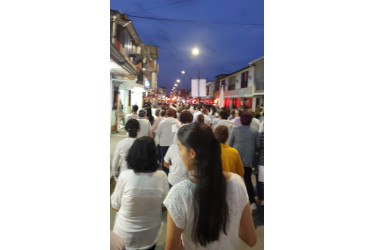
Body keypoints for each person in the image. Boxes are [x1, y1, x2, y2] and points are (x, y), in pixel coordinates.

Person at [163, 123, 257, 249]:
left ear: (192, 153)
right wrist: (229, 222)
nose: (179, 154)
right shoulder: (237, 182)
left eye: (180, 148)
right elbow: (251, 239)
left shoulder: (178, 194)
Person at [111, 137, 169, 250]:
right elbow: (164, 206)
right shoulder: (162, 176)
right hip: (150, 236)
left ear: (132, 154)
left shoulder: (125, 176)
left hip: (124, 236)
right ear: (154, 155)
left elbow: (115, 205)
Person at [229, 112, 259, 212]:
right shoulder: (255, 131)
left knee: (234, 180)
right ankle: (252, 203)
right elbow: (258, 146)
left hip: (236, 158)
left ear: (241, 120)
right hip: (248, 159)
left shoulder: (235, 130)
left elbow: (230, 144)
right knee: (247, 180)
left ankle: (234, 201)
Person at [165, 111, 194, 187]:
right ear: (191, 119)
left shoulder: (178, 128)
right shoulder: (194, 129)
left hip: (178, 160)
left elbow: (174, 143)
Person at [155, 109, 181, 174]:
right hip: (173, 143)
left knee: (164, 158)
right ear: (174, 115)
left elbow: (158, 132)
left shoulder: (162, 122)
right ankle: (171, 171)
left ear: (166, 115)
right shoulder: (177, 122)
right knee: (172, 158)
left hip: (163, 143)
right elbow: (176, 132)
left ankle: (165, 172)